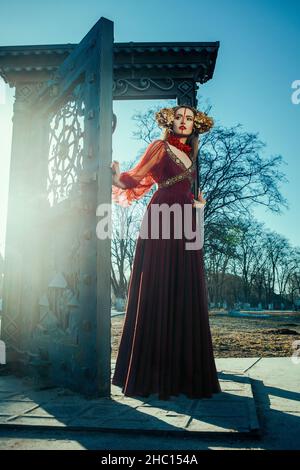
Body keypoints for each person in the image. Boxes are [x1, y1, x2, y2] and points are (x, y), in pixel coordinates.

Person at [110, 104, 222, 400]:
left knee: (186, 288)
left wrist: (199, 206)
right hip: (161, 215)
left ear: (194, 125)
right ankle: (150, 373)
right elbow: (138, 179)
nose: (184, 122)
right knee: (158, 285)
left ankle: (184, 374)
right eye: (179, 118)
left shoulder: (192, 155)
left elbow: (187, 189)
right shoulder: (159, 146)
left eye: (189, 119)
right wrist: (118, 177)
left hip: (188, 220)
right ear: (170, 122)